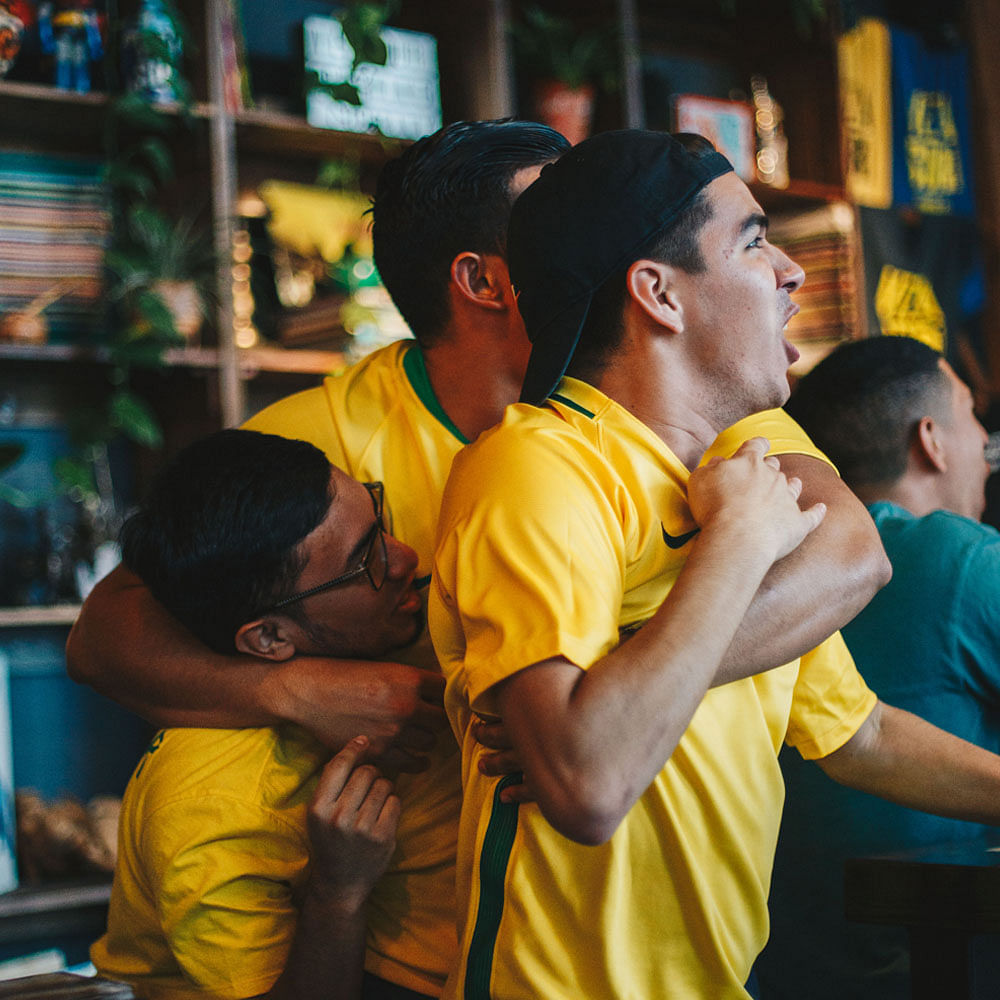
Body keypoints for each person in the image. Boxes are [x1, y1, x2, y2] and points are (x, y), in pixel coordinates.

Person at [67, 121, 887, 997]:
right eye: (558, 206)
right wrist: (298, 692)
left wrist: (606, 695)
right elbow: (105, 636)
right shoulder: (324, 444)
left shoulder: (694, 395)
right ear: (487, 279)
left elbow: (850, 554)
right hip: (390, 951)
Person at [428, 130, 1000, 1000]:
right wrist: (734, 546)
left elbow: (860, 734)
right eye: (752, 240)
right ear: (657, 294)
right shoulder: (536, 466)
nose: (791, 271)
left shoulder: (727, 478)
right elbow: (587, 781)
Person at [91, 428, 420, 999]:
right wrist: (339, 891)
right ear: (269, 638)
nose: (406, 558)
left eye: (379, 519)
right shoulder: (212, 810)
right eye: (365, 559)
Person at [757, 335, 1000, 1000]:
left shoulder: (764, 565)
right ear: (932, 441)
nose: (988, 447)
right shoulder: (963, 557)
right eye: (973, 416)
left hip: (775, 969)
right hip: (934, 967)